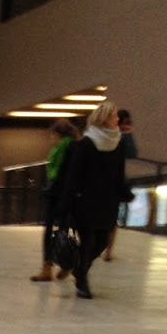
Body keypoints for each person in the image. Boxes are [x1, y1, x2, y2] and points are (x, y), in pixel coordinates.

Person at [58, 99, 127, 299]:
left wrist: (124, 192)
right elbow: (73, 176)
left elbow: (119, 174)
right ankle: (82, 280)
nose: (117, 119)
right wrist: (65, 203)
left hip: (108, 202)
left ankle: (78, 268)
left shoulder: (118, 145)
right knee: (88, 241)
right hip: (86, 202)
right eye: (114, 115)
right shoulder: (85, 144)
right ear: (105, 118)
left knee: (102, 241)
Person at [29, 118, 78, 282]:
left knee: (51, 231)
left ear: (58, 134)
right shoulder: (71, 147)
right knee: (64, 230)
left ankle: (49, 268)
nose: (51, 138)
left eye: (52, 135)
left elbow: (60, 173)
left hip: (58, 194)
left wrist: (51, 189)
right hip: (64, 195)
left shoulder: (65, 148)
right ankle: (64, 264)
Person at [103, 108, 138, 261]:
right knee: (100, 215)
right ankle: (100, 246)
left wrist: (127, 134)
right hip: (102, 180)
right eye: (121, 122)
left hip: (116, 182)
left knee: (112, 218)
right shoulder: (106, 135)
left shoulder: (124, 138)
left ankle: (108, 251)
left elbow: (132, 153)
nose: (124, 125)